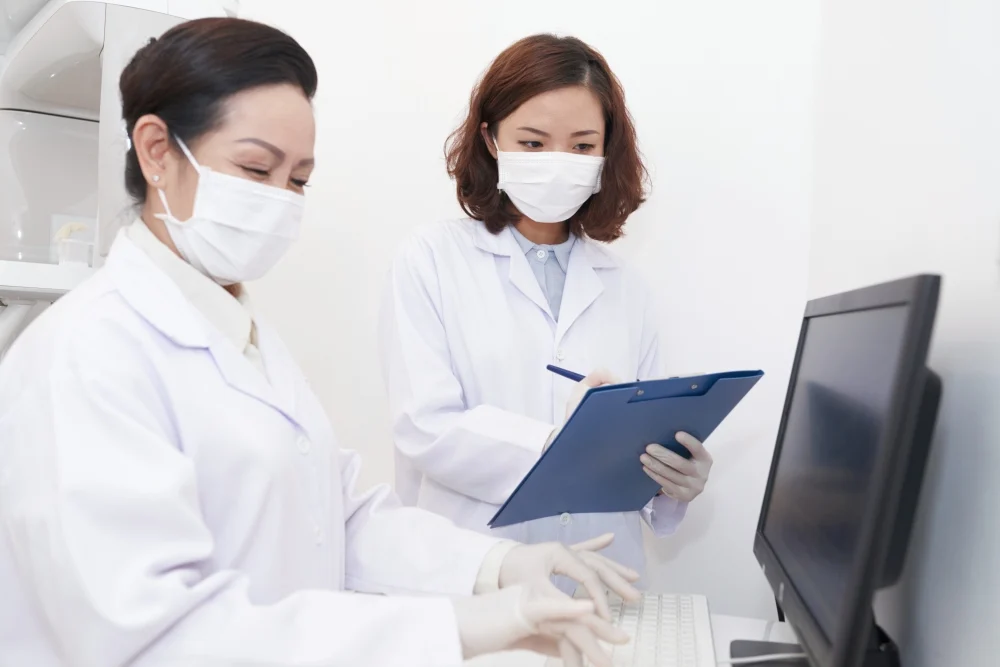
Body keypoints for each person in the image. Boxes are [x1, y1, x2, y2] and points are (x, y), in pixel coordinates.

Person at [0, 19, 641, 667]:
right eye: (255, 167)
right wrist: (457, 627)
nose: (280, 201)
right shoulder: (84, 356)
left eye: (299, 179)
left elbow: (340, 515)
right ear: (157, 150)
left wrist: (498, 563)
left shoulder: (244, 336)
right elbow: (157, 638)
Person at [380, 34, 715, 587]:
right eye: (533, 144)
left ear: (607, 151)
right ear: (490, 138)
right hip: (472, 578)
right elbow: (425, 427)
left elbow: (644, 438)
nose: (558, 163)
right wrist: (562, 443)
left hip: (602, 584)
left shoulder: (627, 288)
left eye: (582, 147)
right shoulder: (430, 259)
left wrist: (671, 479)